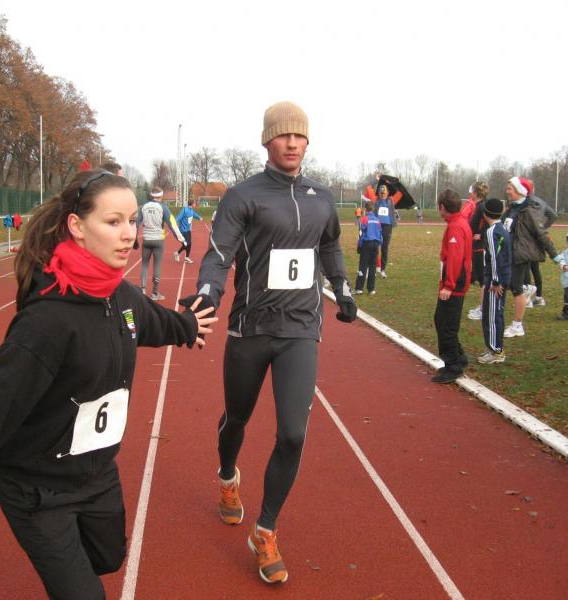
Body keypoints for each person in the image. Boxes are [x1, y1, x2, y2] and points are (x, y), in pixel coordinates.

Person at [0, 169, 216, 600]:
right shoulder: (48, 321)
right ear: (77, 227)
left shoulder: (119, 296)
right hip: (37, 488)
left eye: (131, 220)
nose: (129, 234)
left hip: (96, 473)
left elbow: (153, 322)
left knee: (109, 557)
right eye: (113, 222)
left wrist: (188, 325)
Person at [181, 101, 357, 585]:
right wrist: (208, 293)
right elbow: (219, 253)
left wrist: (342, 288)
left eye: (300, 136)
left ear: (307, 141)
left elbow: (329, 245)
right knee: (236, 417)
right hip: (251, 328)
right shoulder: (244, 196)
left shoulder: (323, 198)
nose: (292, 143)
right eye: (283, 135)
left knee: (293, 434)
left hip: (300, 329)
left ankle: (265, 529)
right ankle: (227, 476)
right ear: (267, 140)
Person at [502, 177, 561, 338]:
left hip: (520, 255)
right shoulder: (511, 209)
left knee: (516, 288)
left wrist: (556, 257)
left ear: (519, 191)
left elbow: (542, 234)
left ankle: (517, 325)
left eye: (510, 188)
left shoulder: (528, 211)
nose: (507, 191)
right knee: (507, 285)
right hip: (508, 254)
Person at [431, 189, 473, 383]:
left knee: (446, 324)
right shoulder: (458, 222)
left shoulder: (456, 226)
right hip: (456, 282)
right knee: (444, 320)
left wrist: (448, 285)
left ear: (442, 207)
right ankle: (459, 357)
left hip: (454, 284)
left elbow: (455, 258)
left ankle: (453, 365)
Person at [477, 198, 512, 364]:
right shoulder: (502, 228)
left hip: (495, 280)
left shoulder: (492, 232)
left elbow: (495, 258)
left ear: (485, 214)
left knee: (491, 316)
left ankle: (495, 350)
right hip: (502, 276)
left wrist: (496, 281)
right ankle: (495, 348)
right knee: (496, 313)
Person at [136, 186, 185, 300]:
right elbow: (172, 224)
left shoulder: (143, 207)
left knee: (144, 265)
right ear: (161, 196)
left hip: (146, 240)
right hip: (158, 240)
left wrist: (134, 239)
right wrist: (181, 239)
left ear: (151, 196)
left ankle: (143, 291)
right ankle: (155, 293)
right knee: (157, 265)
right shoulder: (163, 207)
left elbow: (136, 223)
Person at [523, 180, 557, 308]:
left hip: (527, 237)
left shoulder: (525, 202)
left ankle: (527, 298)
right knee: (535, 268)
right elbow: (553, 215)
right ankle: (539, 297)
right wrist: (543, 227)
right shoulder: (542, 202)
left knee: (526, 267)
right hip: (539, 237)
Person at [467, 182, 490, 321]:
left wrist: (481, 235)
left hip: (480, 246)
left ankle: (483, 309)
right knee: (482, 279)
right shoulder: (480, 205)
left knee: (483, 279)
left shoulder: (482, 206)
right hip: (477, 245)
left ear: (476, 192)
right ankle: (482, 306)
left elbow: (491, 223)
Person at [354, 200, 382, 295]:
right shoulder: (377, 220)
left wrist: (359, 245)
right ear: (373, 209)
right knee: (372, 267)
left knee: (363, 266)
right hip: (375, 244)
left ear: (365, 209)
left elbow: (361, 233)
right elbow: (380, 234)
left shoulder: (364, 219)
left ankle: (359, 288)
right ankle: (371, 289)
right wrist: (379, 244)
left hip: (367, 243)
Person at [375, 183, 396, 278]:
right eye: (381, 193)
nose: (382, 195)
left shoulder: (391, 201)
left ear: (387, 193)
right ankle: (374, 268)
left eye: (384, 193)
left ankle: (383, 270)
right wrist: (376, 181)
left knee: (384, 248)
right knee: (375, 248)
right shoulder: (376, 202)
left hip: (387, 226)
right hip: (377, 226)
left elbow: (398, 191)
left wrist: (391, 182)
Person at [173, 198, 203, 264]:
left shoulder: (191, 210)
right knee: (186, 244)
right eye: (195, 203)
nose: (195, 204)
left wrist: (199, 217)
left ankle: (183, 256)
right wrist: (174, 224)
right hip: (183, 230)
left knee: (189, 244)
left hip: (188, 230)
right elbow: (178, 218)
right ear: (192, 203)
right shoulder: (184, 210)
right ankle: (178, 254)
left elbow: (194, 214)